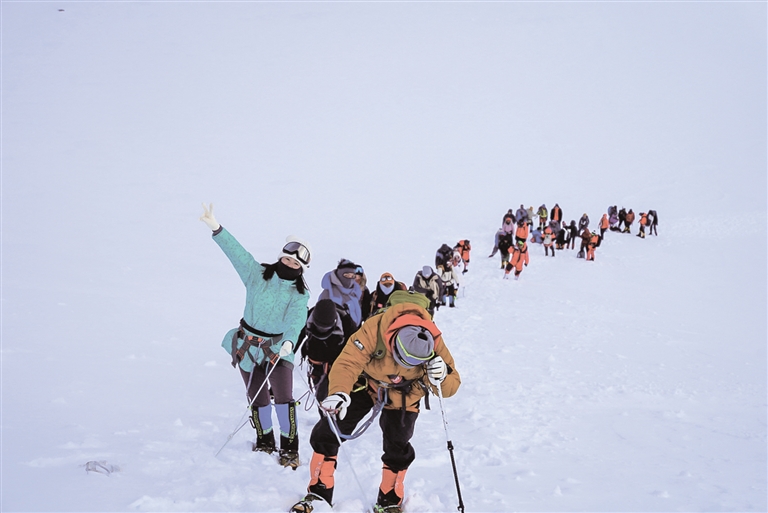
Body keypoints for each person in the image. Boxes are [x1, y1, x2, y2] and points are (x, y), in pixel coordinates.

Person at [290, 294, 461, 513]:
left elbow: (451, 386)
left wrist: (442, 376)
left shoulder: (434, 341)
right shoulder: (375, 328)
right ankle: (319, 493)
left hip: (406, 394)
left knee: (398, 445)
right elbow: (348, 361)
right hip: (367, 385)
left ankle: (389, 501)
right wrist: (340, 392)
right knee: (329, 430)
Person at [199, 203, 309, 468]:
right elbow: (237, 254)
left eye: (296, 262)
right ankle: (265, 440)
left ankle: (290, 448)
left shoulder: (299, 294)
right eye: (288, 258)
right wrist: (217, 229)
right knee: (257, 398)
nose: (290, 263)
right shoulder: (257, 275)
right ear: (281, 256)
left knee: (283, 398)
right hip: (247, 346)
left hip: (278, 348)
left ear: (301, 268)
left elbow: (297, 320)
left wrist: (290, 341)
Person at [299, 299, 346, 408]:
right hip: (316, 364)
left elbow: (356, 346)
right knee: (321, 398)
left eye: (326, 328)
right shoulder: (307, 317)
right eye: (319, 326)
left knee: (331, 399)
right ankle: (325, 414)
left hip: (336, 365)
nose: (322, 330)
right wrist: (284, 359)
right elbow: (296, 337)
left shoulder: (346, 321)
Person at [319, 259, 364, 340]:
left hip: (352, 337)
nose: (350, 278)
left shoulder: (354, 293)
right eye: (347, 275)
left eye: (352, 276)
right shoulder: (328, 293)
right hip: (334, 339)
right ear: (339, 274)